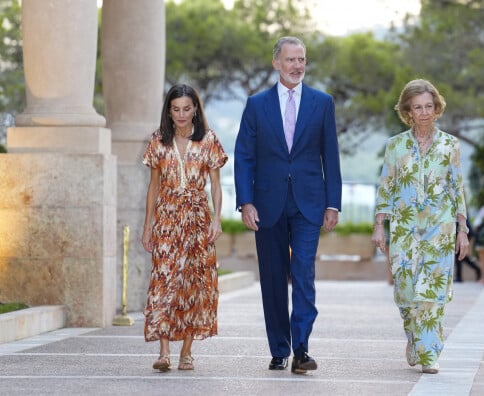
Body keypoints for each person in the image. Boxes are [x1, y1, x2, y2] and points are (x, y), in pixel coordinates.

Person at [234, 36, 342, 374]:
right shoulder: (256, 104)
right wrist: (246, 201)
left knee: (304, 274)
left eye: (302, 60)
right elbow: (244, 156)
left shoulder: (322, 103)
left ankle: (302, 349)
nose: (298, 65)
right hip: (267, 204)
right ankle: (279, 349)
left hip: (310, 203)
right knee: (273, 277)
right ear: (276, 63)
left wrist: (333, 204)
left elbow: (331, 156)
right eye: (291, 59)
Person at [371, 79, 469, 375]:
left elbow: (457, 187)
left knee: (431, 295)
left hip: (439, 231)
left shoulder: (450, 145)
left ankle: (429, 354)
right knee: (406, 291)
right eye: (417, 107)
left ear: (436, 108)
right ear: (407, 111)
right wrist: (379, 225)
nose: (424, 112)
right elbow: (386, 186)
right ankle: (415, 338)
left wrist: (462, 229)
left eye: (429, 106)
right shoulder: (395, 145)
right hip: (403, 230)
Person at [141, 84, 228, 372]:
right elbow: (153, 187)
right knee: (164, 279)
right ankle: (164, 351)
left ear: (195, 110)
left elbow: (216, 185)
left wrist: (217, 219)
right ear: (169, 110)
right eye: (176, 109)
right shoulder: (158, 141)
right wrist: (147, 226)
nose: (181, 114)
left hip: (197, 218)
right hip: (166, 218)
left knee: (193, 282)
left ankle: (186, 352)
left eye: (186, 108)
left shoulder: (209, 140)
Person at [454, 216, 482, 282]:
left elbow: (462, 219)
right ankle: (477, 269)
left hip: (464, 232)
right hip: (463, 231)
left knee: (458, 254)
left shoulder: (461, 207)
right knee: (460, 255)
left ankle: (459, 277)